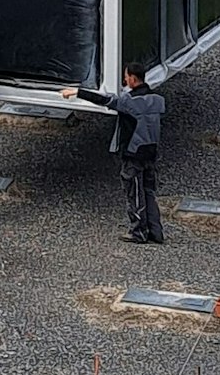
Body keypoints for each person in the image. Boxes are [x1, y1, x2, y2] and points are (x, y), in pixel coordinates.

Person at [61, 63, 165, 244]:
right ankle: (156, 232)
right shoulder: (158, 100)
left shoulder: (129, 102)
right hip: (151, 153)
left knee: (135, 193)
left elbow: (104, 100)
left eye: (126, 77)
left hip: (133, 155)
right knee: (149, 192)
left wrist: (78, 92)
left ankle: (138, 232)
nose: (125, 80)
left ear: (133, 78)